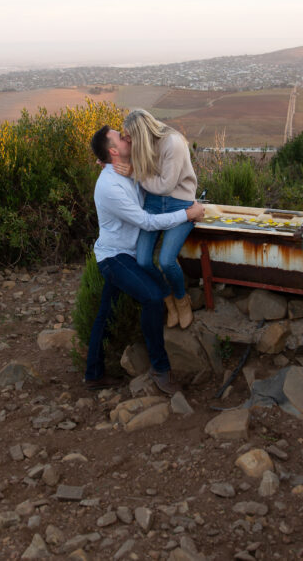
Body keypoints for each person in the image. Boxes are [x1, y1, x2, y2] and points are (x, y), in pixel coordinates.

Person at [85, 124, 205, 394]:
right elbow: (146, 221)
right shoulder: (109, 186)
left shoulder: (124, 168)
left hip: (126, 252)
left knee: (106, 312)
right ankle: (160, 369)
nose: (126, 138)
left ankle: (93, 374)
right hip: (115, 257)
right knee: (152, 298)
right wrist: (187, 215)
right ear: (113, 151)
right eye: (120, 137)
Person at [118, 110, 198, 329]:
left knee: (166, 261)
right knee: (143, 261)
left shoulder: (173, 143)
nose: (127, 140)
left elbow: (165, 186)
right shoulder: (142, 144)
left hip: (180, 203)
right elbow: (123, 156)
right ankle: (167, 299)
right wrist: (106, 160)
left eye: (130, 136)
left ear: (141, 134)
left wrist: (135, 174)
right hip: (153, 203)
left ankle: (181, 299)